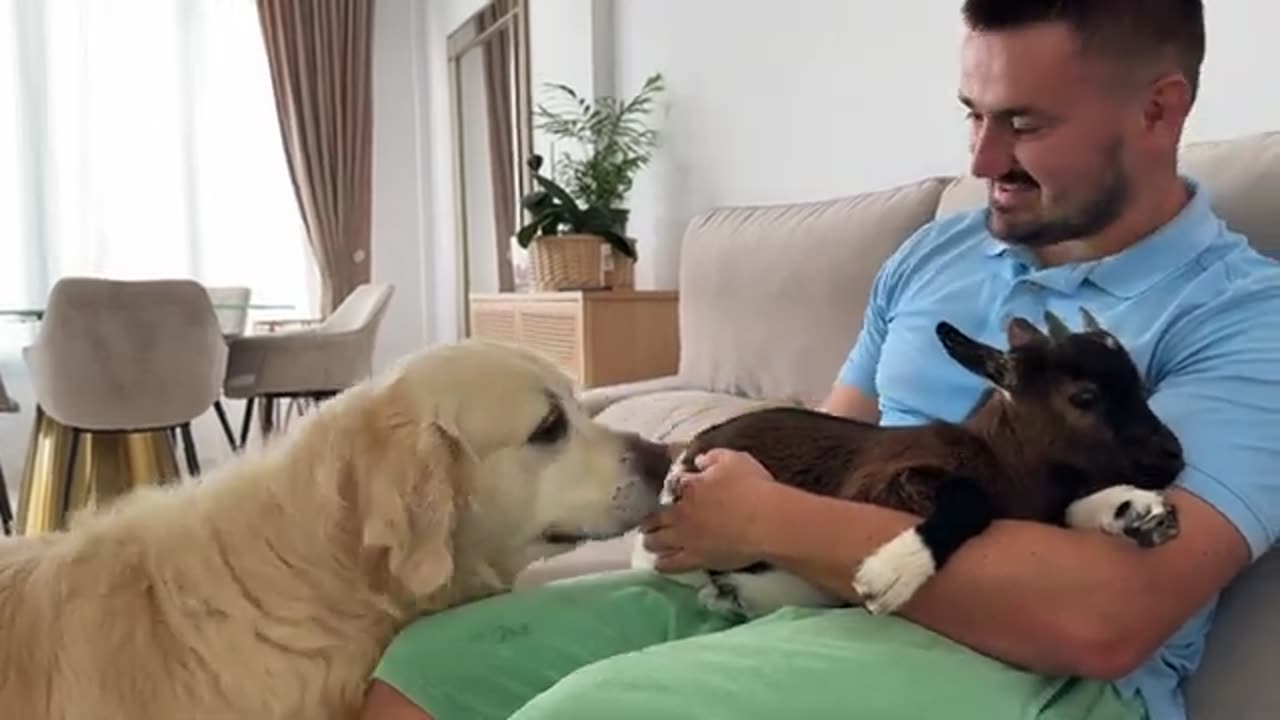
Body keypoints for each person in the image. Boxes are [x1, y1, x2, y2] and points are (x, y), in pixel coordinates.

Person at [361, 1, 1280, 718]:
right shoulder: (937, 255)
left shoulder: (1243, 320)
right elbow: (834, 444)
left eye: (1026, 126)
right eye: (973, 115)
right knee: (434, 669)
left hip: (1031, 669)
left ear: (1160, 109)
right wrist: (724, 502)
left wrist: (773, 521)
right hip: (821, 591)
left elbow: (1106, 619)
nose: (982, 155)